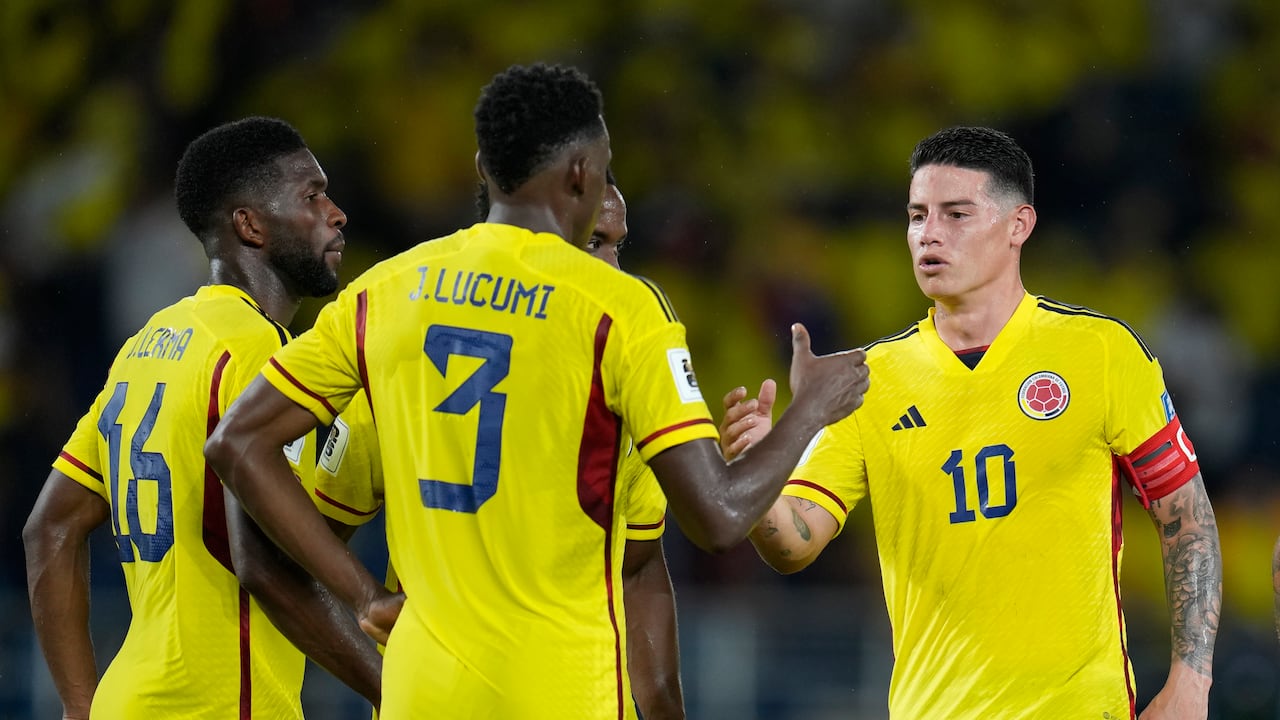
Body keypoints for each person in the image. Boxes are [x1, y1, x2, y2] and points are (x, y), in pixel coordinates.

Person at [204, 62, 869, 719]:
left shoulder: (386, 293)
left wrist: (364, 596)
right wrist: (812, 407)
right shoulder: (620, 311)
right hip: (559, 691)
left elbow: (237, 442)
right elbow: (718, 519)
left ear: (483, 167)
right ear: (582, 173)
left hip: (422, 696)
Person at [723, 126, 1222, 719]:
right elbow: (795, 544)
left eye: (956, 214)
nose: (929, 234)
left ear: (1019, 226)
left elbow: (1186, 517)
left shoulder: (1101, 352)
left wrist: (1190, 685)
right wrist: (761, 475)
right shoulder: (865, 381)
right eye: (916, 216)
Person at [23, 117, 382, 719]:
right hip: (217, 704)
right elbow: (264, 566)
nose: (337, 213)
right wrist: (391, 688)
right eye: (313, 195)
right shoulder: (257, 355)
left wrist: (79, 705)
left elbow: (50, 528)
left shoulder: (145, 346)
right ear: (250, 225)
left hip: (130, 700)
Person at [311, 177, 685, 718]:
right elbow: (305, 547)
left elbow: (639, 564)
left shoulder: (622, 367)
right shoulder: (406, 362)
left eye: (617, 247)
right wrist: (376, 656)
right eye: (593, 245)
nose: (612, 271)